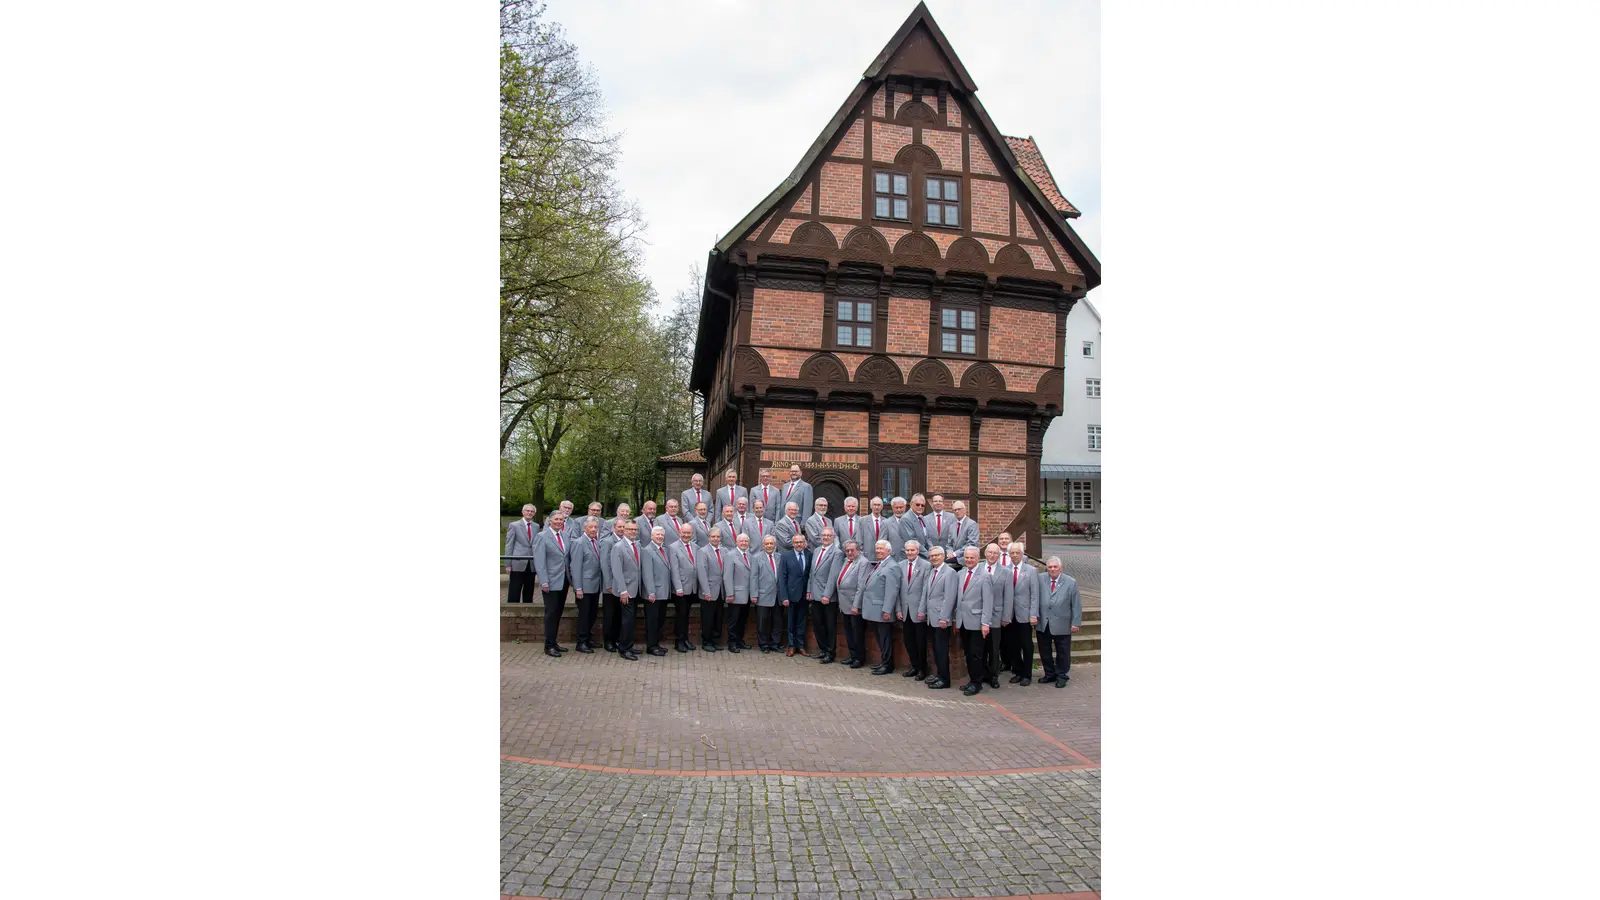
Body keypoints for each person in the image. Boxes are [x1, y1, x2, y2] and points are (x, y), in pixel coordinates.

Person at [1036, 557, 1082, 688]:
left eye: (1055, 567)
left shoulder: (1070, 582)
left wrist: (1076, 622)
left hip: (1062, 623)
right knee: (1044, 651)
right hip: (1044, 622)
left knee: (1063, 651)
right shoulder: (1040, 579)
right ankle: (1049, 674)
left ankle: (1062, 675)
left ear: (1060, 568)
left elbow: (1076, 604)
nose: (1052, 569)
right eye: (1050, 567)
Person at [857, 539, 901, 674]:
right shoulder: (880, 564)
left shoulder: (892, 566)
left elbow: (892, 590)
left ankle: (887, 665)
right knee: (879, 639)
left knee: (885, 638)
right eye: (877, 549)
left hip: (882, 610)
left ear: (889, 551)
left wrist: (887, 609)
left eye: (881, 549)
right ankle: (883, 662)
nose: (878, 551)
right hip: (874, 609)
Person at [955, 546, 994, 695]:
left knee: (976, 654)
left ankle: (977, 683)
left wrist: (985, 623)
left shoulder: (985, 576)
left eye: (972, 557)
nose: (969, 560)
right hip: (963, 621)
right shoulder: (961, 574)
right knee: (968, 653)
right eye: (967, 557)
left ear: (978, 558)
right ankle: (972, 680)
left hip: (977, 622)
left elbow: (988, 601)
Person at [568, 516, 606, 653]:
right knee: (584, 615)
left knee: (592, 614)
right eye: (591, 527)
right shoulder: (579, 543)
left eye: (596, 527)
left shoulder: (596, 542)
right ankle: (581, 642)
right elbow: (576, 567)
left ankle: (588, 638)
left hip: (595, 585)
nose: (594, 529)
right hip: (584, 586)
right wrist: (578, 587)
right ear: (585, 528)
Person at [805, 527, 843, 663]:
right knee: (817, 624)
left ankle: (830, 653)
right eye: (824, 535)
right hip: (815, 595)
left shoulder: (837, 553)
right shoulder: (816, 551)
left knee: (830, 626)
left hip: (828, 598)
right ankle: (822, 649)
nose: (826, 537)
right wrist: (809, 590)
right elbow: (811, 573)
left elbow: (833, 576)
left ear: (833, 537)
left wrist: (827, 595)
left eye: (828, 535)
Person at [922, 546, 958, 689]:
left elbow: (949, 597)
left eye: (937, 555)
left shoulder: (949, 573)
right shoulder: (932, 571)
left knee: (942, 650)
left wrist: (944, 617)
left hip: (941, 619)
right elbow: (927, 594)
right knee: (936, 649)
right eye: (931, 556)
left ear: (943, 556)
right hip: (931, 617)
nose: (934, 558)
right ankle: (939, 675)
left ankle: (945, 679)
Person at [537, 511, 571, 658]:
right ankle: (548, 645)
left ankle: (554, 642)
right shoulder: (542, 537)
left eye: (561, 520)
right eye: (556, 519)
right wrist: (544, 580)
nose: (559, 521)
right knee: (551, 613)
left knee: (558, 612)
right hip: (550, 581)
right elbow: (540, 561)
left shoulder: (564, 535)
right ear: (549, 521)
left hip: (563, 580)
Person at [607, 520, 642, 661]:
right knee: (627, 620)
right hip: (625, 590)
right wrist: (622, 591)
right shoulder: (618, 547)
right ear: (624, 530)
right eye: (630, 529)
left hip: (636, 589)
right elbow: (617, 571)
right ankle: (624, 649)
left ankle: (629, 645)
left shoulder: (638, 545)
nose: (633, 531)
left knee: (631, 620)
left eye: (635, 529)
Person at [1004, 543, 1039, 684]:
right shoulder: (1006, 570)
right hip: (1009, 614)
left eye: (1017, 553)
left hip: (1025, 614)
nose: (1014, 555)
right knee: (1013, 645)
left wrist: (1033, 614)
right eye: (1011, 553)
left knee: (1026, 645)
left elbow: (1035, 594)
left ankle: (1027, 674)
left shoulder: (1030, 571)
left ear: (1022, 554)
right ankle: (1017, 671)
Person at [899, 539, 932, 681]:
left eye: (912, 550)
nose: (910, 553)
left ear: (918, 551)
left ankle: (922, 670)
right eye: (907, 550)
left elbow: (926, 590)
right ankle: (914, 665)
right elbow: (898, 589)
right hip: (905, 611)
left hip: (919, 611)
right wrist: (898, 609)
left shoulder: (926, 566)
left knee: (920, 642)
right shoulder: (900, 565)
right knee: (908, 641)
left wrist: (922, 609)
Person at [834, 540, 868, 668]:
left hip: (854, 606)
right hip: (844, 605)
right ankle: (852, 655)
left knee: (857, 633)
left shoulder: (862, 562)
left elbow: (861, 586)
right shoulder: (846, 561)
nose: (849, 553)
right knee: (849, 632)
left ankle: (859, 658)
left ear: (858, 550)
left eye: (852, 550)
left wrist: (856, 605)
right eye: (847, 550)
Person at [639, 526, 672, 656]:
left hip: (663, 592)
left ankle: (656, 643)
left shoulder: (664, 549)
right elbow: (647, 573)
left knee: (660, 620)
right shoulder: (647, 551)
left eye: (661, 535)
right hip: (653, 594)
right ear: (652, 536)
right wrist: (650, 592)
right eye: (657, 534)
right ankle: (651, 646)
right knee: (652, 621)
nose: (659, 537)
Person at [667, 523, 700, 652]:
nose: (686, 535)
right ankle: (679, 641)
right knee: (681, 615)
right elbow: (674, 569)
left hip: (692, 587)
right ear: (680, 532)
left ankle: (685, 639)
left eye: (689, 533)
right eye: (684, 532)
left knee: (686, 615)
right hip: (680, 588)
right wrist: (678, 587)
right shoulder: (673, 547)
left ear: (692, 534)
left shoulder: (695, 547)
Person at [979, 542, 1008, 688]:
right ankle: (983, 673)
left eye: (995, 553)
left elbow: (1008, 596)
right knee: (981, 647)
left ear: (999, 555)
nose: (992, 555)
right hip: (979, 615)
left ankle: (993, 676)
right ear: (985, 553)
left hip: (996, 616)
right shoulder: (978, 568)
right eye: (990, 552)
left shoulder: (1005, 572)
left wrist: (1006, 617)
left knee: (994, 649)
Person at [777, 533, 811, 657]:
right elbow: (782, 577)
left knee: (802, 621)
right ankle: (791, 646)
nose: (798, 544)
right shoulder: (786, 556)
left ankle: (800, 646)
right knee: (791, 621)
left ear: (804, 543)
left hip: (804, 595)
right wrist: (784, 596)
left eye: (801, 542)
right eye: (796, 542)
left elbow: (810, 575)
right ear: (792, 544)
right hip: (791, 596)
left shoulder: (809, 555)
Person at [695, 527, 728, 652]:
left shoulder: (724, 551)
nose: (716, 539)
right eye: (713, 536)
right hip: (708, 591)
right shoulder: (703, 551)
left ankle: (715, 641)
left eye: (718, 537)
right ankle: (707, 642)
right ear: (709, 538)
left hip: (721, 591)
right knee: (707, 618)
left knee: (718, 618)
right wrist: (706, 591)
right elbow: (701, 572)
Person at [750, 534, 782, 652]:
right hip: (762, 595)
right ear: (763, 545)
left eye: (771, 543)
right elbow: (753, 577)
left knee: (777, 621)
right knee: (762, 622)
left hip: (777, 596)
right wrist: (754, 594)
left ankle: (775, 644)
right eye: (767, 544)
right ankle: (764, 645)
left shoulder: (780, 557)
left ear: (775, 545)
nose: (769, 546)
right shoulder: (756, 558)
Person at [600, 518, 627, 652]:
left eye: (624, 527)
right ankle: (608, 641)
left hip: (622, 586)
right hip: (610, 585)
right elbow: (605, 564)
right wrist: (608, 584)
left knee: (618, 615)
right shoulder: (608, 542)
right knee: (610, 614)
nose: (621, 529)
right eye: (619, 527)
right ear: (613, 527)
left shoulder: (627, 542)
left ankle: (616, 639)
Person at [724, 533, 754, 652]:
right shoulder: (730, 555)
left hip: (747, 595)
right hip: (735, 595)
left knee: (743, 619)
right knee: (733, 620)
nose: (744, 543)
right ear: (736, 542)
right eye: (741, 541)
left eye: (746, 541)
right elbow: (727, 576)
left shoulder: (751, 556)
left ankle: (739, 640)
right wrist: (730, 593)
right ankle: (732, 643)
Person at [504, 503, 540, 604]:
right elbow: (509, 545)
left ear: (534, 513)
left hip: (531, 563)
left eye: (532, 511)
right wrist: (508, 564)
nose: (529, 513)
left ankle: (528, 613)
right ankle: (512, 612)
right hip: (517, 563)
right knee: (514, 590)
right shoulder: (514, 525)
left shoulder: (536, 526)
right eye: (527, 511)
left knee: (529, 590)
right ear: (523, 512)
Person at [922, 494, 954, 563]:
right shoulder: (925, 519)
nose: (938, 503)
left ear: (943, 503)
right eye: (935, 501)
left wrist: (950, 552)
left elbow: (954, 537)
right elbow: (925, 537)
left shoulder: (952, 518)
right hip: (932, 556)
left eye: (940, 501)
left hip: (948, 556)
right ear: (932, 503)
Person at [949, 500, 979, 569]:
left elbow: (972, 544)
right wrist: (950, 553)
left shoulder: (972, 524)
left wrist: (955, 554)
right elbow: (949, 544)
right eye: (954, 510)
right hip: (952, 561)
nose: (957, 511)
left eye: (959, 509)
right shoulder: (952, 526)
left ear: (965, 510)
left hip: (966, 561)